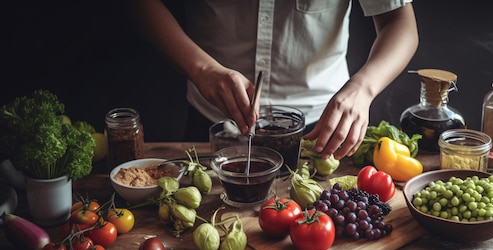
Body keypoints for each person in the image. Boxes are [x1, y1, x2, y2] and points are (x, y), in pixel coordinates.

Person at [133, 0, 418, 160]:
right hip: (213, 124)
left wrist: (363, 89)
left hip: (322, 131)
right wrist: (202, 70)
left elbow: (399, 23)